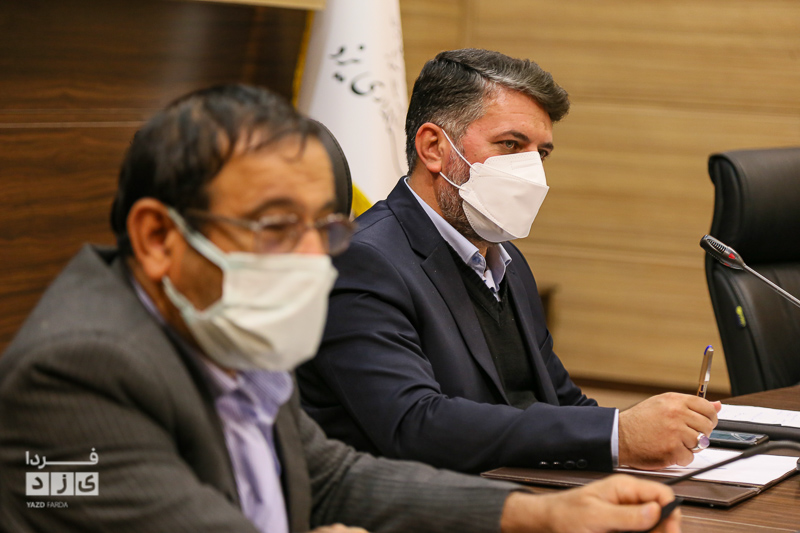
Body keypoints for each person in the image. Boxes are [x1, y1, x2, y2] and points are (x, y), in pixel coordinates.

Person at [0, 84, 679, 533]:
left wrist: (541, 515)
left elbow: (328, 479)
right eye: (275, 226)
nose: (311, 259)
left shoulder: (220, 326)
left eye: (321, 229)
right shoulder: (74, 373)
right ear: (157, 238)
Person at [297, 48, 721, 474]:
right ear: (433, 148)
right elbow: (415, 424)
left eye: (541, 153)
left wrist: (646, 434)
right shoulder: (363, 261)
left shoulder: (505, 260)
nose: (531, 171)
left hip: (525, 486)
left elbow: (560, 402)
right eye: (511, 145)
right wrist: (617, 435)